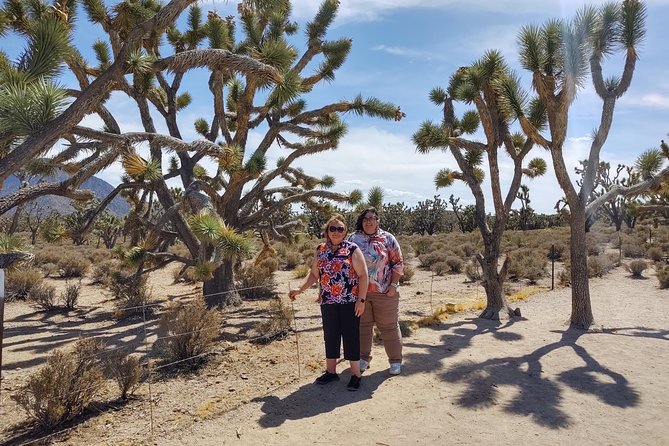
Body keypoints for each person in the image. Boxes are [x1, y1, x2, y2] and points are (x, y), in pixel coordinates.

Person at [289, 215, 369, 391]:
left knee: (350, 336)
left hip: (349, 301)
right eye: (333, 229)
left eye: (340, 229)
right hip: (328, 301)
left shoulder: (352, 249)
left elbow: (363, 275)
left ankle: (356, 375)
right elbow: (314, 274)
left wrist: (361, 300)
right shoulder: (321, 249)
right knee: (330, 336)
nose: (336, 232)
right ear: (327, 231)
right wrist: (299, 289)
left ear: (345, 232)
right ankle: (331, 372)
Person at [348, 207, 404, 375]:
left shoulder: (388, 238)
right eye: (365, 218)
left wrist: (394, 285)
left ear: (378, 220)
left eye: (372, 218)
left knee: (388, 326)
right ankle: (364, 358)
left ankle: (395, 360)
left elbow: (398, 262)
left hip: (385, 291)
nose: (369, 221)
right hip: (360, 293)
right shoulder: (353, 238)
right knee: (362, 327)